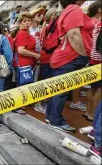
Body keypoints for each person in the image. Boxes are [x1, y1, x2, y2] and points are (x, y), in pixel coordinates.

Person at [46, 0, 94, 133]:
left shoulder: (70, 9)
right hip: (69, 57)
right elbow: (73, 34)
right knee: (61, 91)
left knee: (57, 90)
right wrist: (84, 55)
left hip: (63, 57)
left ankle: (51, 118)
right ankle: (56, 121)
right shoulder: (74, 9)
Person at [14, 12, 40, 114]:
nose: (27, 23)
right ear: (20, 23)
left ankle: (19, 105)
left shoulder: (24, 33)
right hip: (23, 64)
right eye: (25, 21)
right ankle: (16, 107)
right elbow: (21, 50)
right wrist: (35, 55)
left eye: (29, 21)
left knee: (23, 86)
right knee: (21, 86)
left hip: (26, 64)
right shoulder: (22, 33)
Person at [34, 8, 58, 114]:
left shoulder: (45, 26)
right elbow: (50, 44)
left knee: (44, 81)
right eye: (56, 15)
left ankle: (41, 102)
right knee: (45, 82)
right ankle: (39, 103)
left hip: (46, 57)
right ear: (52, 16)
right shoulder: (49, 27)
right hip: (47, 58)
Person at [84, 0, 101, 121]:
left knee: (92, 88)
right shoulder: (99, 24)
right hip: (99, 60)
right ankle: (94, 115)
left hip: (92, 59)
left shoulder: (91, 23)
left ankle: (88, 111)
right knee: (99, 89)